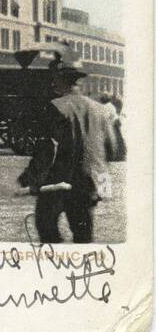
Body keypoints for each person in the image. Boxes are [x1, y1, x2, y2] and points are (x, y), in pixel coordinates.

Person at [19, 53, 119, 244]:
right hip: (91, 183)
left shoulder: (55, 106)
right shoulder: (100, 109)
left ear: (61, 80)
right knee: (83, 237)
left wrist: (30, 179)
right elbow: (113, 149)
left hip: (59, 183)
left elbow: (46, 151)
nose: (52, 83)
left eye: (54, 79)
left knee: (46, 229)